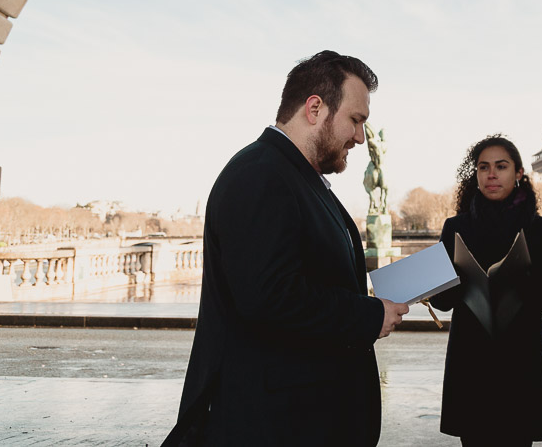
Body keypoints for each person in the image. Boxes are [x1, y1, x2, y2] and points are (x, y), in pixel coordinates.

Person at [162, 51, 409, 446]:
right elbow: (270, 299)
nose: (361, 137)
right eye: (356, 120)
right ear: (315, 108)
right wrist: (368, 315)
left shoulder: (289, 175)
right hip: (276, 425)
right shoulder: (261, 175)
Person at [429, 136, 542, 446]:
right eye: (484, 167)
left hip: (520, 366)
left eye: (501, 166)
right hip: (471, 367)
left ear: (519, 173)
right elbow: (441, 302)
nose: (492, 174)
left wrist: (533, 278)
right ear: (476, 174)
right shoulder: (456, 228)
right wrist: (451, 279)